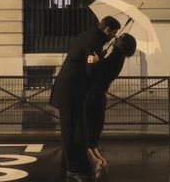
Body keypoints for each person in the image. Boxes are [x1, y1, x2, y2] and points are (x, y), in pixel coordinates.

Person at [49, 16, 121, 181]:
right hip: (70, 92)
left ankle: (69, 166)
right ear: (107, 29)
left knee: (72, 129)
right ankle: (72, 170)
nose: (115, 36)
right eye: (114, 32)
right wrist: (100, 60)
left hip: (70, 89)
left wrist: (99, 56)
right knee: (68, 130)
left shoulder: (88, 36)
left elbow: (86, 59)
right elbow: (91, 71)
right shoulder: (93, 41)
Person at [78, 33, 137, 179]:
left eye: (120, 37)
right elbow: (104, 69)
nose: (117, 37)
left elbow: (96, 74)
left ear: (123, 44)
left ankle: (96, 162)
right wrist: (102, 57)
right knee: (91, 133)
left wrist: (94, 61)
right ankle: (101, 161)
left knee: (82, 131)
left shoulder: (115, 56)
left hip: (92, 97)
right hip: (99, 97)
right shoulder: (118, 56)